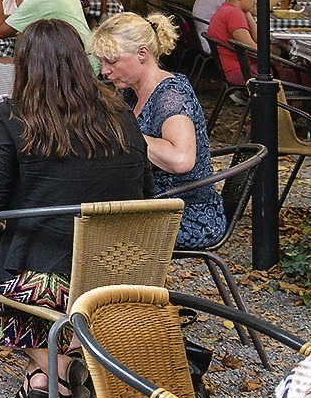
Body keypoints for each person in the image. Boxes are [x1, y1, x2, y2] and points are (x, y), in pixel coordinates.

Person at [0, 20, 154, 398]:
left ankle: (49, 366)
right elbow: (146, 193)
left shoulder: (16, 116)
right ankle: (50, 371)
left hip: (48, 282)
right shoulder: (121, 113)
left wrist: (3, 221)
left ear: (24, 66)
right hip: (121, 273)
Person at [92, 13, 225, 249]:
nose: (104, 71)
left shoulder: (170, 94)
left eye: (111, 61)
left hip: (187, 213)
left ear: (142, 54)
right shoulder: (130, 91)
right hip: (151, 203)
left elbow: (181, 160)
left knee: (87, 227)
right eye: (102, 62)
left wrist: (124, 132)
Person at [205, 0, 259, 86]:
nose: (255, 1)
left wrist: (247, 12)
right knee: (304, 76)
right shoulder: (234, 14)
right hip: (244, 73)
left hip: (234, 70)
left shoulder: (226, 9)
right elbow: (254, 50)